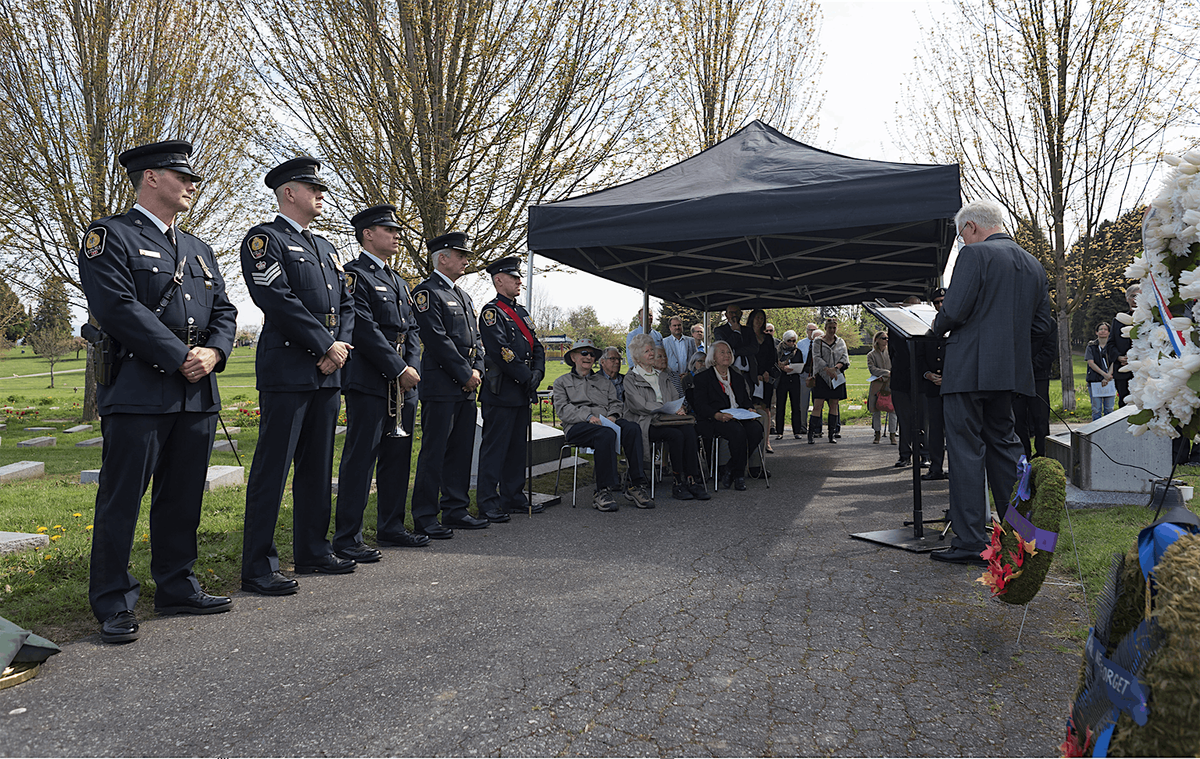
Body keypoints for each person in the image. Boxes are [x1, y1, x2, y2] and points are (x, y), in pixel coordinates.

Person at [79, 140, 238, 643]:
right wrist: (179, 356)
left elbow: (225, 312)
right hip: (139, 388)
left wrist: (212, 353)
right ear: (151, 178)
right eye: (183, 177)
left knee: (183, 496)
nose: (193, 186)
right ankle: (113, 601)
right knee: (122, 499)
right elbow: (118, 308)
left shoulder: (199, 248)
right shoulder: (110, 236)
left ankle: (176, 586)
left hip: (195, 393)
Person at [240, 156, 356, 596]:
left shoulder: (326, 248)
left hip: (329, 372)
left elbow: (346, 304)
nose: (321, 194)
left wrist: (339, 348)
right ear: (289, 192)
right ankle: (258, 566)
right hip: (288, 368)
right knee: (273, 469)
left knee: (316, 466)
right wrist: (323, 345)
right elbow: (275, 298)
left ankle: (312, 550)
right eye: (313, 188)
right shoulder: (263, 240)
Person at [930, 199, 1052, 567]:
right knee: (1007, 448)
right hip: (1009, 374)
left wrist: (935, 328)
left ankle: (971, 541)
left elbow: (954, 310)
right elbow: (1041, 326)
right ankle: (1022, 535)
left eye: (960, 236)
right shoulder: (1033, 264)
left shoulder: (975, 256)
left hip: (968, 370)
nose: (962, 243)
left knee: (966, 452)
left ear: (971, 227)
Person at [334, 204, 429, 558]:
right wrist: (397, 368)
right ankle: (347, 538)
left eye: (397, 231)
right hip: (371, 379)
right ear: (368, 234)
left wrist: (412, 367)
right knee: (361, 460)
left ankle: (391, 526)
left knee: (398, 457)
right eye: (389, 230)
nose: (397, 236)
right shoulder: (354, 276)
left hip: (403, 381)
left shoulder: (400, 281)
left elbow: (413, 330)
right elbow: (363, 328)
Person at [409, 231, 489, 539]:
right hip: (443, 385)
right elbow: (436, 340)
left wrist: (478, 369)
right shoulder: (427, 293)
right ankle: (426, 516)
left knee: (460, 451)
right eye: (461, 255)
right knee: (435, 452)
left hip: (467, 385)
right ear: (443, 258)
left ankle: (455, 509)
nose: (466, 260)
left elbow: (477, 339)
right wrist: (464, 373)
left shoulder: (464, 295)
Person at [476, 256, 546, 520]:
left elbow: (536, 346)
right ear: (498, 280)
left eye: (519, 277)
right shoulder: (492, 312)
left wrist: (537, 373)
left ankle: (513, 496)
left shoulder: (522, 312)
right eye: (514, 277)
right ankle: (488, 501)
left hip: (522, 390)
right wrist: (526, 376)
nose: (519, 281)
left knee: (517, 448)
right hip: (502, 390)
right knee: (495, 449)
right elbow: (501, 351)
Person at [552, 338, 654, 511]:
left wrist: (613, 416)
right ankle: (602, 490)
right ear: (574, 357)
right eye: (584, 353)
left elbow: (615, 403)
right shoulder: (561, 382)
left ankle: (636, 484)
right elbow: (563, 409)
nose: (589, 357)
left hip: (606, 421)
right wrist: (588, 416)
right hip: (577, 426)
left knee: (632, 428)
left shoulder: (604, 382)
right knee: (606, 434)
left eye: (592, 354)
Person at [624, 333, 710, 501]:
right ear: (637, 356)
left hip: (669, 420)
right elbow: (638, 405)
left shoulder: (662, 376)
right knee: (676, 435)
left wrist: (680, 408)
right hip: (646, 422)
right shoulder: (631, 378)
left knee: (689, 430)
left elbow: (675, 396)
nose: (652, 354)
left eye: (651, 350)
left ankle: (691, 479)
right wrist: (664, 409)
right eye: (646, 351)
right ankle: (678, 482)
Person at [691, 340, 764, 490]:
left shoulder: (737, 377)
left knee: (756, 429)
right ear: (713, 357)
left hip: (739, 416)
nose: (727, 355)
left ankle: (730, 467)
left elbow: (745, 400)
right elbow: (700, 405)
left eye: (729, 352)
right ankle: (738, 475)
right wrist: (716, 415)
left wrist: (750, 409)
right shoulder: (702, 378)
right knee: (737, 431)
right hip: (714, 419)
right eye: (722, 352)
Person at [1014, 317, 1058, 458]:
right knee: (1018, 419)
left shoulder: (1049, 323)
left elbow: (1050, 351)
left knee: (1041, 419)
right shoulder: (1016, 318)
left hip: (1038, 377)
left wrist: (1028, 367)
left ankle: (1042, 455)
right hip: (1016, 378)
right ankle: (1022, 455)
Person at [888, 297, 923, 466]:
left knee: (923, 420)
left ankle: (925, 454)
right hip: (901, 381)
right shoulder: (894, 328)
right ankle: (905, 455)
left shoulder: (927, 326)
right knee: (904, 419)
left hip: (922, 381)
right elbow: (893, 354)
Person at [916, 290, 947, 480]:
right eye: (936, 302)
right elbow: (920, 359)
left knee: (956, 431)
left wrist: (949, 377)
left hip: (953, 388)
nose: (940, 305)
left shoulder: (958, 327)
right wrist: (928, 374)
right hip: (933, 388)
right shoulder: (928, 331)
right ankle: (936, 467)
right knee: (935, 431)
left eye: (943, 301)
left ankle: (960, 469)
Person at [809, 317, 850, 444]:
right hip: (822, 377)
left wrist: (835, 368)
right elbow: (816, 357)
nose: (832, 330)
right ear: (825, 328)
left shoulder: (841, 342)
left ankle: (832, 434)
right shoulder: (818, 341)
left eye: (834, 328)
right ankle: (811, 433)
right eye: (830, 328)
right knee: (818, 405)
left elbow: (844, 357)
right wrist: (827, 369)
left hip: (836, 376)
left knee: (834, 405)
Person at [746, 308, 777, 457]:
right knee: (752, 406)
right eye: (757, 317)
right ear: (752, 319)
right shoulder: (746, 337)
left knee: (766, 407)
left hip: (765, 378)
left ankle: (766, 441)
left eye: (762, 318)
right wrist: (755, 374)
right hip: (750, 378)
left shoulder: (768, 338)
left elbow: (772, 358)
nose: (759, 320)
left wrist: (765, 372)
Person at [775, 330, 807, 439]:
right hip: (782, 380)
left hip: (794, 379)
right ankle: (779, 431)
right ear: (784, 340)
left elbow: (801, 365)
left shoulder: (797, 352)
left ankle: (797, 431)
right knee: (780, 406)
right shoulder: (778, 351)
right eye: (789, 341)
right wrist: (783, 368)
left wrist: (795, 368)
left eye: (794, 341)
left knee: (796, 406)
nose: (792, 343)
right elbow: (774, 364)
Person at [866, 331, 897, 444]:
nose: (886, 340)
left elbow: (896, 366)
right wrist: (886, 373)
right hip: (877, 384)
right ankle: (877, 434)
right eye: (883, 338)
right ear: (877, 340)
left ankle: (892, 435)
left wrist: (889, 375)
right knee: (876, 410)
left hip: (890, 384)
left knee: (892, 410)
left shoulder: (891, 352)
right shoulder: (871, 355)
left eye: (887, 338)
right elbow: (872, 369)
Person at [1111, 285, 1139, 406]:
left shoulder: (1151, 319)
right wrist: (1119, 357)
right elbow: (1110, 344)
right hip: (1124, 372)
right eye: (1133, 296)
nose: (1135, 299)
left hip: (1144, 370)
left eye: (1139, 295)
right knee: (1124, 403)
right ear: (1127, 298)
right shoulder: (1118, 320)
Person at [1085, 322, 1116, 420]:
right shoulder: (1091, 346)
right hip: (1095, 381)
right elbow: (1091, 362)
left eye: (1105, 329)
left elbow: (1114, 361)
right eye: (1100, 329)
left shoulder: (1112, 346)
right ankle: (1096, 431)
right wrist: (1104, 375)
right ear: (1096, 332)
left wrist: (1108, 376)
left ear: (1109, 332)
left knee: (1109, 409)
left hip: (1110, 381)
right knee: (1096, 409)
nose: (1103, 331)